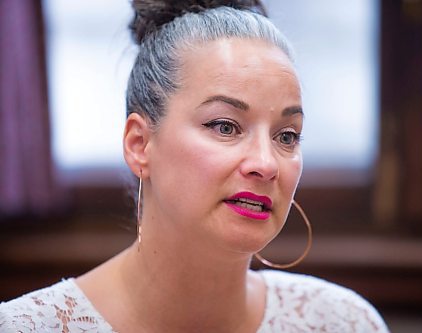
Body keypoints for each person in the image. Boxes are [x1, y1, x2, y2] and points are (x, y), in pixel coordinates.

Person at [0, 1, 389, 332]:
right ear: (139, 144)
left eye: (286, 135)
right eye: (224, 126)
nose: (266, 164)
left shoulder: (342, 322)